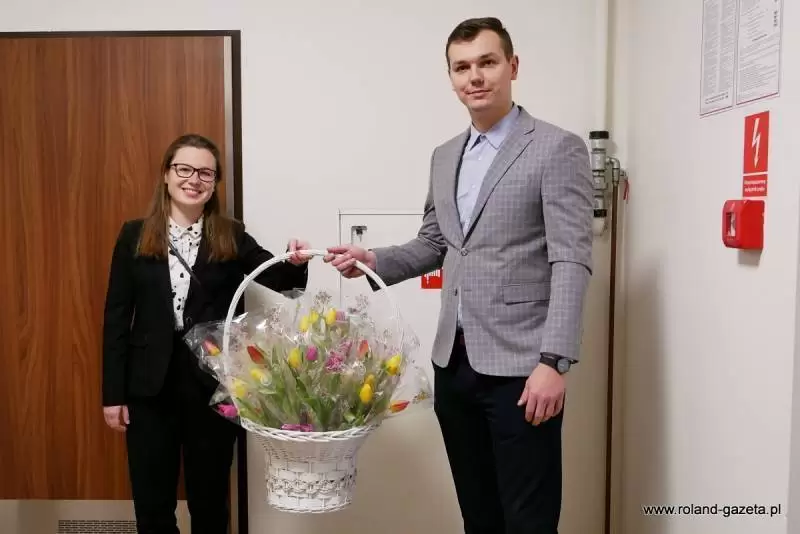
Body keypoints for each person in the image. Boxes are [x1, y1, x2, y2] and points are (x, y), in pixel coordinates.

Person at [325, 17, 593, 534]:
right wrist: (372, 260)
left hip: (523, 368)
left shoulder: (556, 148)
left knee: (529, 520)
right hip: (454, 364)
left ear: (512, 66)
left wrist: (554, 361)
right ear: (451, 77)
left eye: (487, 63)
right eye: (462, 67)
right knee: (478, 515)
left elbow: (571, 259)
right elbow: (436, 242)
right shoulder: (445, 155)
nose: (475, 77)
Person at [101, 133, 311, 534]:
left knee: (210, 503)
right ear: (166, 174)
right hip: (148, 389)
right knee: (152, 505)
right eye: (184, 169)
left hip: (213, 386)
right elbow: (116, 318)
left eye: (205, 173)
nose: (193, 179)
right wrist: (113, 395)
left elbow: (281, 280)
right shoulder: (134, 235)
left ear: (214, 184)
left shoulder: (231, 234)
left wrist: (296, 260)